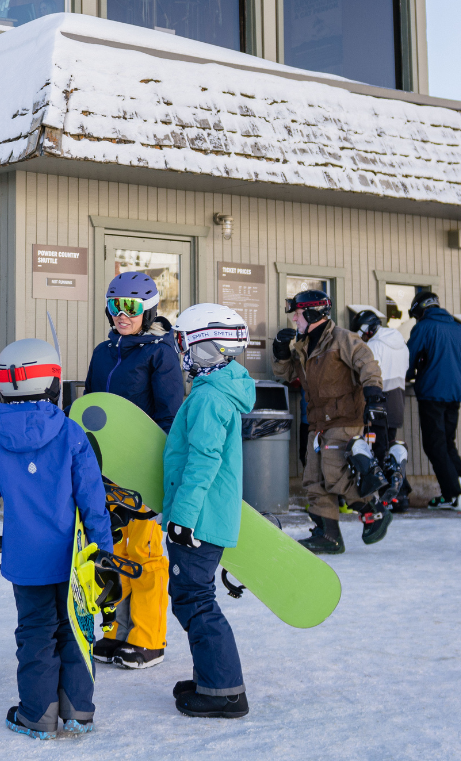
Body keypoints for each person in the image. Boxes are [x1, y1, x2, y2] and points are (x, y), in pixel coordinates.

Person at [0, 338, 119, 739]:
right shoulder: (72, 434)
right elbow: (93, 502)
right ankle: (77, 712)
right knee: (75, 629)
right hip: (73, 560)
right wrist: (104, 554)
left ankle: (37, 714)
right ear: (53, 382)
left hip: (25, 560)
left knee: (36, 634)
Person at [83, 270, 184, 671]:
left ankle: (148, 636)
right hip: (105, 468)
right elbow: (92, 406)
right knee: (112, 549)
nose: (121, 315)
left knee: (143, 551)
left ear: (148, 308)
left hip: (141, 470)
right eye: (114, 307)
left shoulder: (160, 353)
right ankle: (116, 630)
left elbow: (169, 417)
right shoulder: (103, 351)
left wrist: (151, 470)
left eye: (130, 307)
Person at [162, 303, 256, 718]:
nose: (181, 352)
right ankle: (212, 678)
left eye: (185, 343)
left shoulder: (207, 399)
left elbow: (203, 461)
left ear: (204, 349)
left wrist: (182, 518)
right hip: (207, 515)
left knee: (194, 599)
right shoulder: (220, 391)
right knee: (192, 596)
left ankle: (223, 692)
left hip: (197, 519)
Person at [273, 290, 390, 554]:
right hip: (317, 422)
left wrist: (374, 395)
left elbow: (367, 364)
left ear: (314, 314)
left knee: (336, 475)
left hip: (343, 418)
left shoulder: (343, 339)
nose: (294, 319)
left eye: (298, 314)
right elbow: (286, 373)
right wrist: (281, 351)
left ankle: (374, 510)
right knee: (314, 479)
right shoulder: (303, 346)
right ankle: (328, 534)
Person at [404, 290, 461, 510]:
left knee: (434, 445)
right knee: (446, 442)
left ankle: (454, 495)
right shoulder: (459, 328)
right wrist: (452, 373)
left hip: (431, 392)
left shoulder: (423, 327)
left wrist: (414, 373)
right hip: (454, 394)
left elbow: (407, 360)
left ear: (421, 309)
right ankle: (457, 481)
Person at [352, 306, 412, 513]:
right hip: (397, 401)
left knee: (379, 452)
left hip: (379, 402)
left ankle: (393, 496)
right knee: (392, 451)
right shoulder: (401, 344)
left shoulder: (375, 346)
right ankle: (400, 495)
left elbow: (368, 374)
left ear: (367, 329)